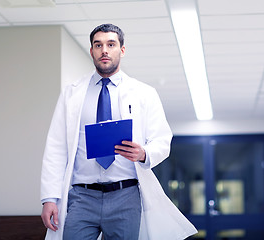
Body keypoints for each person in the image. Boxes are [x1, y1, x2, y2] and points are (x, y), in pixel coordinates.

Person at [40, 23, 197, 240]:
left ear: (121, 50)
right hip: (82, 196)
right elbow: (56, 147)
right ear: (92, 51)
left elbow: (162, 139)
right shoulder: (72, 94)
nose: (104, 50)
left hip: (126, 196)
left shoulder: (144, 93)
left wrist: (144, 153)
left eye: (111, 44)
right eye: (98, 45)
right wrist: (49, 198)